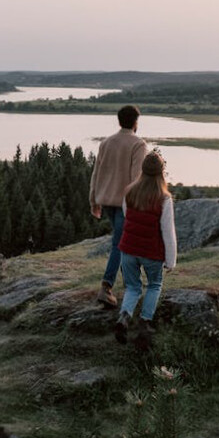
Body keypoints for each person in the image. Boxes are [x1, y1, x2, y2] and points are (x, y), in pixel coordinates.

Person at [113, 151, 177, 348]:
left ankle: (124, 317)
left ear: (142, 170)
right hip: (151, 252)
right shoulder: (164, 198)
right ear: (161, 173)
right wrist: (171, 260)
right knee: (155, 284)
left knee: (132, 286)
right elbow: (167, 230)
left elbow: (126, 215)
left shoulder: (130, 192)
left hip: (128, 249)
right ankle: (144, 322)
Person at [89, 105, 148, 308]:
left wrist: (93, 200)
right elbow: (136, 179)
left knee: (121, 242)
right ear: (135, 122)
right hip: (125, 203)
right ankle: (106, 287)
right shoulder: (138, 144)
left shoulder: (106, 143)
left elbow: (96, 174)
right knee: (120, 243)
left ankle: (129, 283)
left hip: (106, 200)